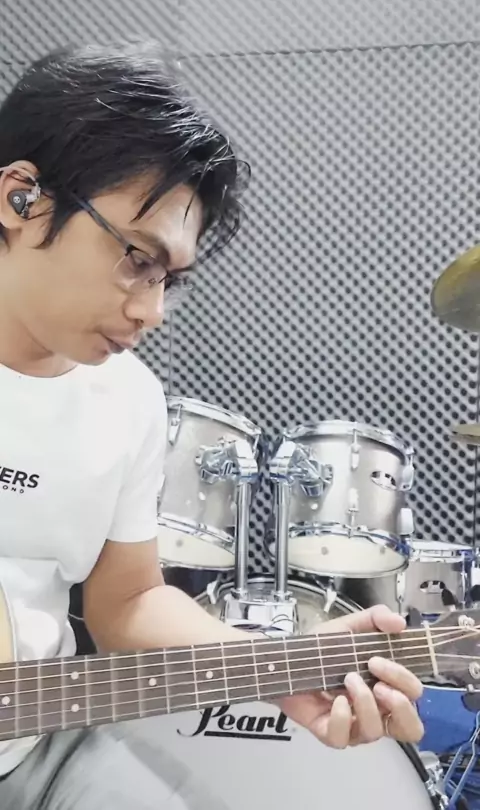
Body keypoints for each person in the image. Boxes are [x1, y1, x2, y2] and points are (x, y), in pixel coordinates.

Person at [0, 41, 424, 809]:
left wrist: (278, 667)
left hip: (35, 741)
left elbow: (126, 602)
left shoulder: (128, 399)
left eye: (170, 280)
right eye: (137, 258)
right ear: (22, 199)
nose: (152, 311)